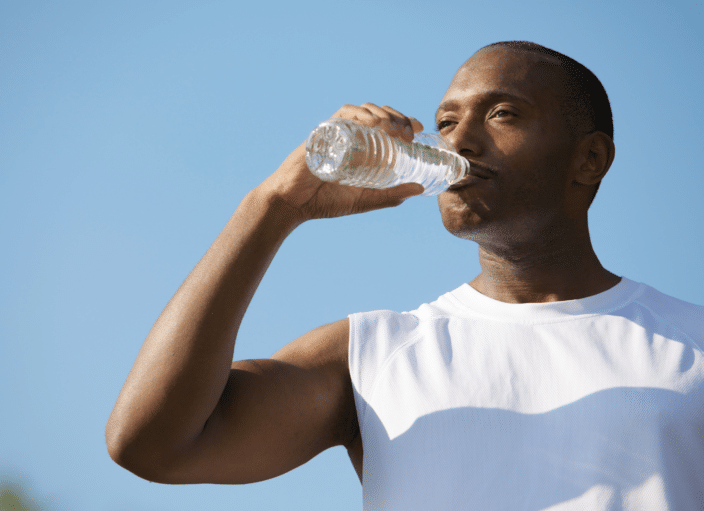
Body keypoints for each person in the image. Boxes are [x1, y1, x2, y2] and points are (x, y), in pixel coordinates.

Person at [106, 41, 704, 509]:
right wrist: (273, 207)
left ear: (590, 158)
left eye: (501, 114)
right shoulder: (372, 354)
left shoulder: (691, 346)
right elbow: (151, 444)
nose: (461, 141)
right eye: (445, 123)